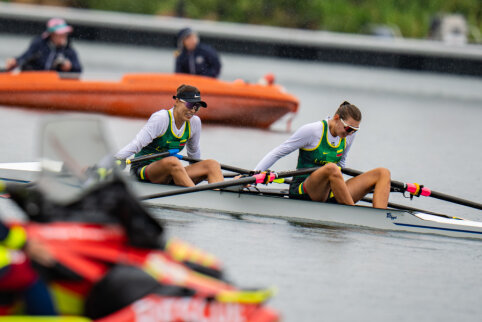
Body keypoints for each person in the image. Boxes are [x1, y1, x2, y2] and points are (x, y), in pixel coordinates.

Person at [254, 101, 391, 209]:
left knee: (383, 173)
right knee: (331, 168)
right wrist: (254, 174)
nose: (350, 133)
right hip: (303, 189)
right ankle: (351, 211)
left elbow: (341, 164)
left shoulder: (348, 135)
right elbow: (278, 152)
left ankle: (382, 219)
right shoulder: (312, 131)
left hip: (329, 189)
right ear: (337, 118)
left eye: (354, 130)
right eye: (348, 128)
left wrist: (339, 188)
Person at [115, 84, 223, 186]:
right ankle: (197, 198)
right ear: (176, 101)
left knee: (212, 165)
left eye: (196, 107)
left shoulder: (195, 122)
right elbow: (137, 143)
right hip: (143, 169)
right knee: (172, 162)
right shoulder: (161, 119)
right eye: (190, 105)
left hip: (172, 171)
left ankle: (218, 198)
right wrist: (115, 160)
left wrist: (202, 173)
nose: (192, 110)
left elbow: (193, 153)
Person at [5, 18, 82, 73]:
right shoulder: (38, 44)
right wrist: (14, 62)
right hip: (35, 81)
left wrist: (70, 67)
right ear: (52, 34)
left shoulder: (69, 51)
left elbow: (78, 69)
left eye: (64, 34)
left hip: (56, 85)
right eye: (60, 34)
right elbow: (25, 57)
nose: (63, 37)